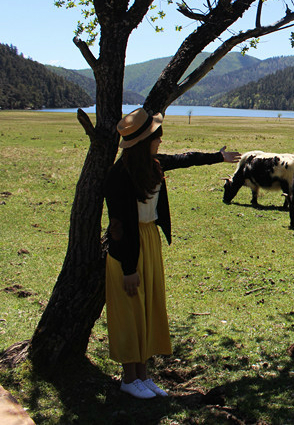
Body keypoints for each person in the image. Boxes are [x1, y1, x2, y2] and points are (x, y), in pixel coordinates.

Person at [103, 107, 240, 399]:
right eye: (157, 137)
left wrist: (218, 157)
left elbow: (184, 159)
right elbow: (118, 227)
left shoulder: (151, 164)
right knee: (130, 311)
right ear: (142, 141)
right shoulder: (119, 176)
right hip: (129, 248)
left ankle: (143, 375)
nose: (161, 141)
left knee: (148, 306)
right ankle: (129, 377)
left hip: (149, 240)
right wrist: (128, 269)